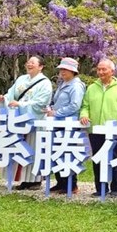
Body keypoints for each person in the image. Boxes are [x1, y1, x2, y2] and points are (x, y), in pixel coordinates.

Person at [0, 55, 53, 190]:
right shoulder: (21, 79)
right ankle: (23, 179)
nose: (29, 65)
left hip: (36, 122)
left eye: (33, 63)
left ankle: (35, 180)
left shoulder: (45, 83)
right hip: (19, 121)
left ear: (41, 66)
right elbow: (11, 94)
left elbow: (41, 103)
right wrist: (3, 99)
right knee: (21, 150)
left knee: (34, 149)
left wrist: (20, 104)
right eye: (28, 62)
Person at [79, 58, 117, 197]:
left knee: (114, 158)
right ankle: (100, 188)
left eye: (104, 69)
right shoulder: (91, 88)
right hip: (95, 129)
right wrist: (84, 115)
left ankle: (115, 188)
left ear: (112, 71)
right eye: (99, 69)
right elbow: (85, 106)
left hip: (113, 130)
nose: (100, 72)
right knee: (97, 158)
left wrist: (115, 117)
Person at [46, 57, 86, 194]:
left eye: (65, 69)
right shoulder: (63, 84)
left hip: (68, 124)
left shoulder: (76, 86)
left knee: (67, 153)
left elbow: (75, 105)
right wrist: (51, 109)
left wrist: (56, 113)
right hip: (58, 123)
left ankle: (71, 184)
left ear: (73, 71)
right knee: (57, 152)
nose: (62, 72)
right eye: (61, 69)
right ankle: (61, 182)